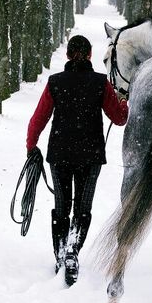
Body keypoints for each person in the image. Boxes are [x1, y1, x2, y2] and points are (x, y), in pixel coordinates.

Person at [26, 34, 128, 286]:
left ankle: (61, 254)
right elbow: (119, 118)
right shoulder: (100, 83)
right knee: (83, 209)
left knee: (61, 206)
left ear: (68, 55)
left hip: (59, 153)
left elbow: (39, 117)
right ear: (90, 55)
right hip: (90, 155)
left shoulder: (55, 82)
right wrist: (124, 102)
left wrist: (31, 145)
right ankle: (73, 251)